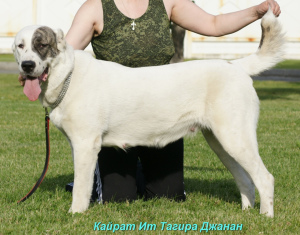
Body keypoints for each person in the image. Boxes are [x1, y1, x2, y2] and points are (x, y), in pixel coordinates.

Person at [20, 0, 281, 203]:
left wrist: (256, 11)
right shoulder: (95, 7)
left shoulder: (166, 2)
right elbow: (66, 53)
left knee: (169, 194)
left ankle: (260, 197)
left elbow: (213, 23)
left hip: (164, 110)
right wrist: (35, 71)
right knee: (118, 198)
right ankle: (103, 178)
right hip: (117, 117)